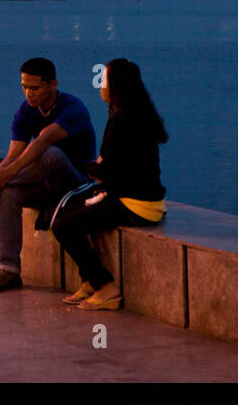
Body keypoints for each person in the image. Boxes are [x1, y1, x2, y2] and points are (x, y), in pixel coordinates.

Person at [52, 58, 167, 311]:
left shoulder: (124, 122)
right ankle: (89, 280)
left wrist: (91, 168)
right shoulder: (135, 115)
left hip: (136, 205)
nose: (100, 88)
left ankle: (106, 287)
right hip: (142, 199)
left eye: (104, 82)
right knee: (69, 211)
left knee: (64, 226)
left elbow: (110, 172)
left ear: (116, 87)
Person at [0, 57, 96, 292]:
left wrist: (7, 174)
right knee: (9, 193)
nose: (28, 94)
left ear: (53, 84)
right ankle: (8, 270)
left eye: (34, 88)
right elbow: (14, 152)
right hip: (46, 183)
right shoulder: (25, 111)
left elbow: (44, 140)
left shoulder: (73, 109)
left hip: (78, 185)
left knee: (51, 153)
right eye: (24, 87)